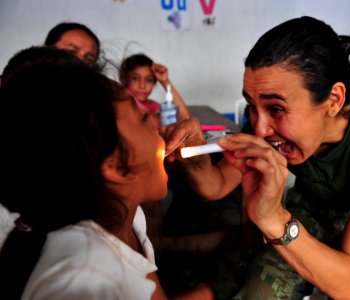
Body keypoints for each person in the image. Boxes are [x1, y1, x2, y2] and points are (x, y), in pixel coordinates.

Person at [165, 16, 350, 299]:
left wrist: (275, 220)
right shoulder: (263, 121)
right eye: (253, 106)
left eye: (276, 109)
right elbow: (215, 186)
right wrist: (195, 160)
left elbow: (347, 285)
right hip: (313, 209)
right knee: (257, 294)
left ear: (334, 100)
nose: (260, 128)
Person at [0, 47, 212, 300]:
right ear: (115, 167)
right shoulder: (84, 281)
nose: (158, 126)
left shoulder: (130, 218)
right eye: (144, 119)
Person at [119, 53, 191, 126]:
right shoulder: (121, 101)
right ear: (124, 79)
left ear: (155, 82)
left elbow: (185, 119)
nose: (142, 86)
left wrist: (165, 81)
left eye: (149, 80)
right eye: (135, 78)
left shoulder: (153, 106)